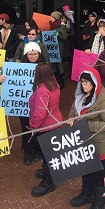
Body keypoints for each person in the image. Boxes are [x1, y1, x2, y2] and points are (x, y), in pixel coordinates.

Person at [68, 67, 105, 209]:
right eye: (82, 82)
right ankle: (86, 194)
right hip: (84, 143)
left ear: (94, 83)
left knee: (98, 175)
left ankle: (99, 208)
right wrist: (71, 119)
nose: (83, 85)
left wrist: (85, 126)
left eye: (86, 82)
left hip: (99, 145)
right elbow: (73, 111)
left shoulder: (104, 101)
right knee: (86, 170)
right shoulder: (81, 96)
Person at [0, 42, 46, 165]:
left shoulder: (44, 67)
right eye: (30, 54)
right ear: (26, 55)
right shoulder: (18, 68)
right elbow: (8, 82)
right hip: (23, 105)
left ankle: (38, 150)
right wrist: (1, 80)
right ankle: (27, 151)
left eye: (35, 53)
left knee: (38, 128)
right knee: (25, 128)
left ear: (39, 53)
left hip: (39, 105)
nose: (32, 56)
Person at [28, 62, 63, 198]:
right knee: (50, 153)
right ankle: (47, 171)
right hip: (55, 121)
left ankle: (48, 181)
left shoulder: (42, 90)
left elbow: (40, 113)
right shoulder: (54, 84)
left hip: (46, 126)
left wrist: (32, 125)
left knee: (47, 155)